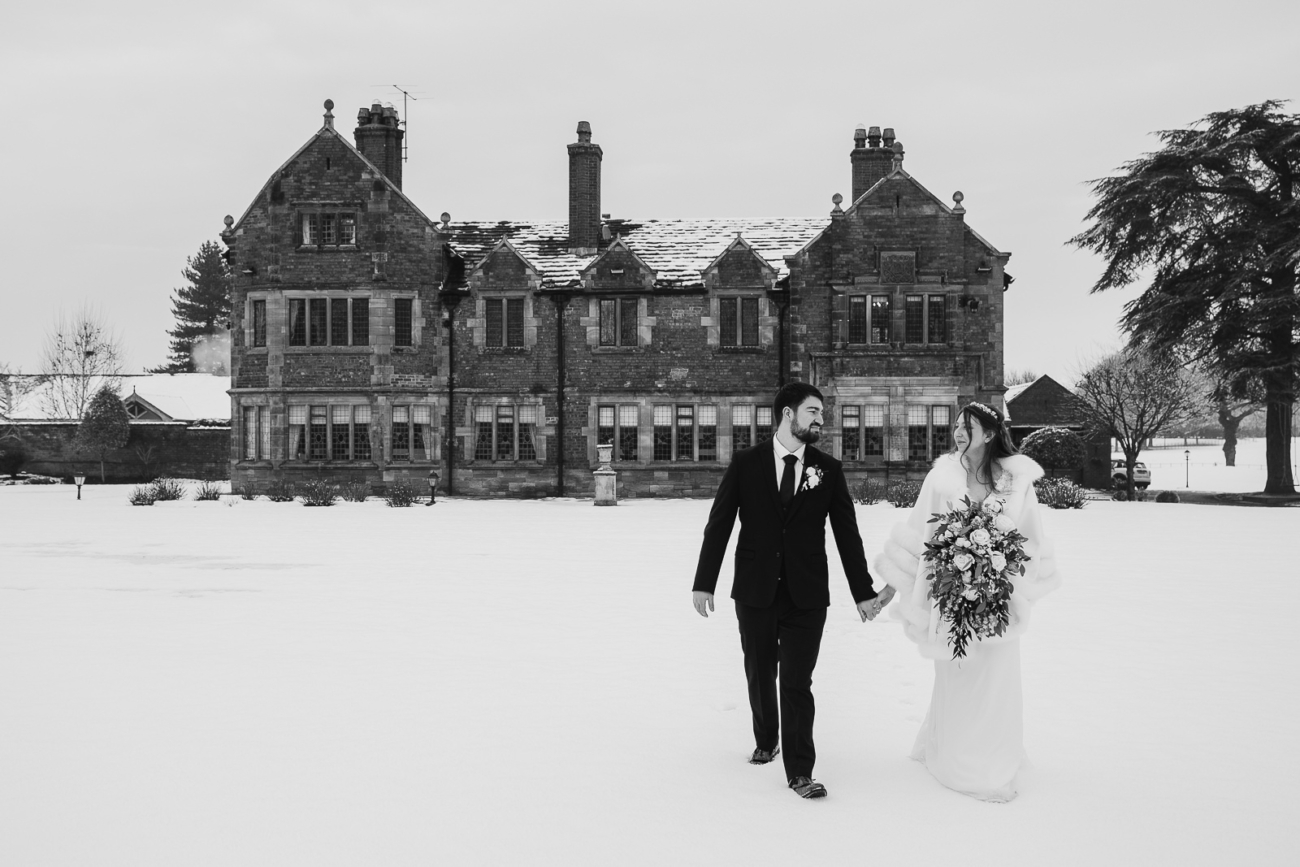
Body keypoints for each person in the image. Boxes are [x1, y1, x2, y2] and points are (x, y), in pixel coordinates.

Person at [692, 382, 894, 800]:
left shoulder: (828, 470)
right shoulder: (747, 464)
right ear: (788, 414)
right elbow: (720, 524)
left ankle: (801, 771)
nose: (821, 420)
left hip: (806, 595)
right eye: (813, 412)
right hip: (755, 590)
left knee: (797, 682)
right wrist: (704, 582)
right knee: (760, 671)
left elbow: (846, 535)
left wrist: (863, 593)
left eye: (821, 413)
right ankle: (767, 738)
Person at [873, 401, 1061, 802]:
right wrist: (890, 586)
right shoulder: (941, 478)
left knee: (996, 680)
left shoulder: (1015, 481)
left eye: (968, 426)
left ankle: (995, 762)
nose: (958, 432)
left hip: (1000, 601)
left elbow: (1032, 538)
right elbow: (917, 533)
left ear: (990, 433)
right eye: (957, 425)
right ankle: (956, 759)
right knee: (959, 676)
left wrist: (1004, 575)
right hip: (951, 597)